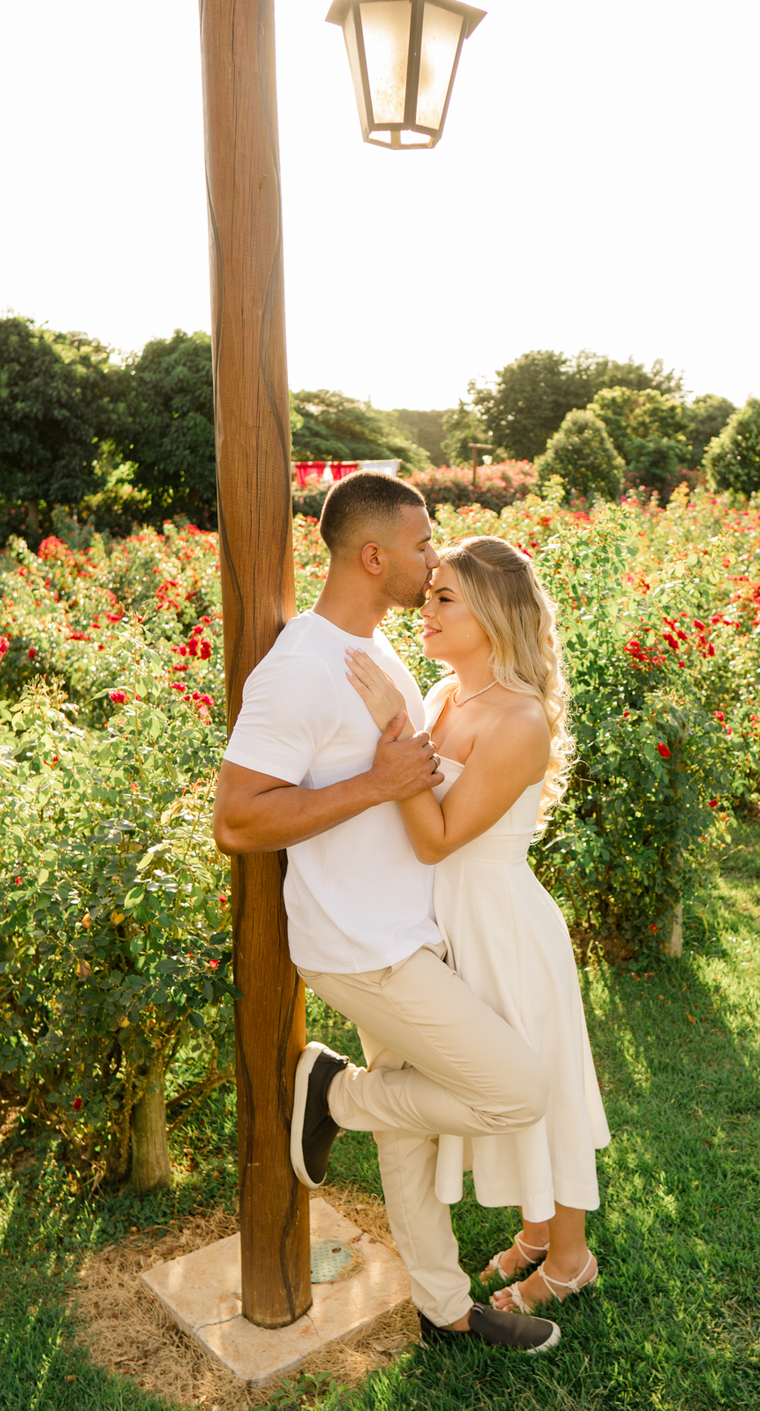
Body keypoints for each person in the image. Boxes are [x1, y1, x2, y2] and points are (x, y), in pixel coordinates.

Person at [212, 472, 561, 1355]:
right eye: (420, 543)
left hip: (405, 932)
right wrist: (377, 781)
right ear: (373, 556)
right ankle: (330, 1093)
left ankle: (443, 1310)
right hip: (363, 947)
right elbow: (237, 818)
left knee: (408, 1141)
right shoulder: (300, 668)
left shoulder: (382, 654)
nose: (433, 555)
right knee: (514, 1092)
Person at [345, 534, 609, 1314]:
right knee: (481, 1078)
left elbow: (436, 835)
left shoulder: (517, 721)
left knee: (539, 1086)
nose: (422, 609)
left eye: (443, 598)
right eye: (427, 594)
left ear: (491, 615)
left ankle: (568, 1258)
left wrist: (393, 732)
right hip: (447, 920)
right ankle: (534, 1230)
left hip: (502, 927)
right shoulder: (447, 698)